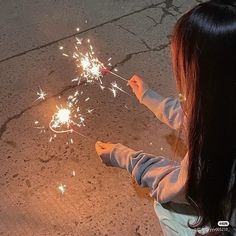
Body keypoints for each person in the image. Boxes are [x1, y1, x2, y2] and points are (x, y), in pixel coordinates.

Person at [95, 0, 236, 235]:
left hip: (229, 222)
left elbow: (177, 187)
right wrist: (150, 98)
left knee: (167, 206)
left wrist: (126, 158)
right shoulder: (225, 104)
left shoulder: (215, 153)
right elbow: (200, 118)